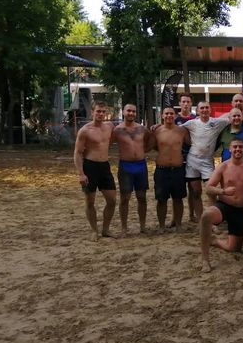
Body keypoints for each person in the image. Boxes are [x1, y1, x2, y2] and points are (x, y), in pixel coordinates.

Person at [199, 139, 243, 272]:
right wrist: (223, 191)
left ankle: (215, 241)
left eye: (240, 147)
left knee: (235, 248)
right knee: (206, 216)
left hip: (239, 210)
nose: (238, 149)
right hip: (224, 206)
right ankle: (205, 260)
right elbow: (208, 188)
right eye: (235, 147)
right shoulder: (223, 166)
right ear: (230, 149)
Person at [73, 100, 116, 241]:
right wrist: (81, 174)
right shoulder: (85, 131)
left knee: (112, 200)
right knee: (90, 201)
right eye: (98, 111)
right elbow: (78, 153)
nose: (101, 114)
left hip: (104, 166)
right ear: (92, 112)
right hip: (90, 167)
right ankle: (94, 230)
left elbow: (123, 130)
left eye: (103, 111)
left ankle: (105, 230)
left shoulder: (109, 126)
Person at [181, 101, 230, 221]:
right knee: (196, 192)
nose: (204, 110)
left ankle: (213, 218)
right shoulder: (191, 123)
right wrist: (157, 126)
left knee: (211, 191)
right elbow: (174, 128)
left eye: (206, 108)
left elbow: (234, 116)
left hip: (207, 162)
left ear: (210, 109)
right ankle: (201, 219)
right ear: (197, 111)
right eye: (202, 108)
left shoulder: (217, 122)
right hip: (192, 161)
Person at [112, 103, 151, 235]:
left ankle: (142, 226)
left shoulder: (142, 129)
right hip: (126, 166)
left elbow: (151, 139)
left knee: (142, 197)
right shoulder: (117, 130)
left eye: (133, 111)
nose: (131, 113)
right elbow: (106, 142)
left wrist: (144, 150)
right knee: (125, 198)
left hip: (141, 165)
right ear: (123, 112)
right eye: (128, 111)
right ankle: (124, 227)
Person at [151, 106, 190, 231]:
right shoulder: (157, 131)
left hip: (178, 169)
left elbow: (191, 143)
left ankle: (178, 224)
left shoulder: (182, 131)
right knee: (161, 199)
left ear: (175, 115)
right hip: (162, 169)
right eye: (166, 113)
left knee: (178, 198)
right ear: (162, 115)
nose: (169, 116)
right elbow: (151, 146)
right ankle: (162, 226)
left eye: (171, 113)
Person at [174, 92, 197, 223]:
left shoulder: (196, 119)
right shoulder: (174, 119)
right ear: (180, 103)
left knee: (193, 189)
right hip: (178, 157)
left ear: (191, 104)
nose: (186, 104)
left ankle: (192, 215)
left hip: (193, 156)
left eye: (188, 102)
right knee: (177, 190)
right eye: (183, 101)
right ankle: (175, 218)